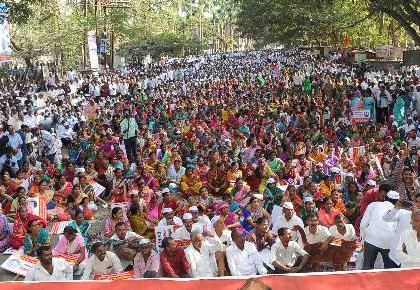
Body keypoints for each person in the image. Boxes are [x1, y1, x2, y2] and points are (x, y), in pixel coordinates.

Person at [360, 190, 400, 269]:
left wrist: (363, 241)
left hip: (371, 238)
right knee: (389, 270)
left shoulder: (373, 205)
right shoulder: (399, 211)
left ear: (385, 198)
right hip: (388, 241)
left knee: (367, 268)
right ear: (397, 201)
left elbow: (363, 224)